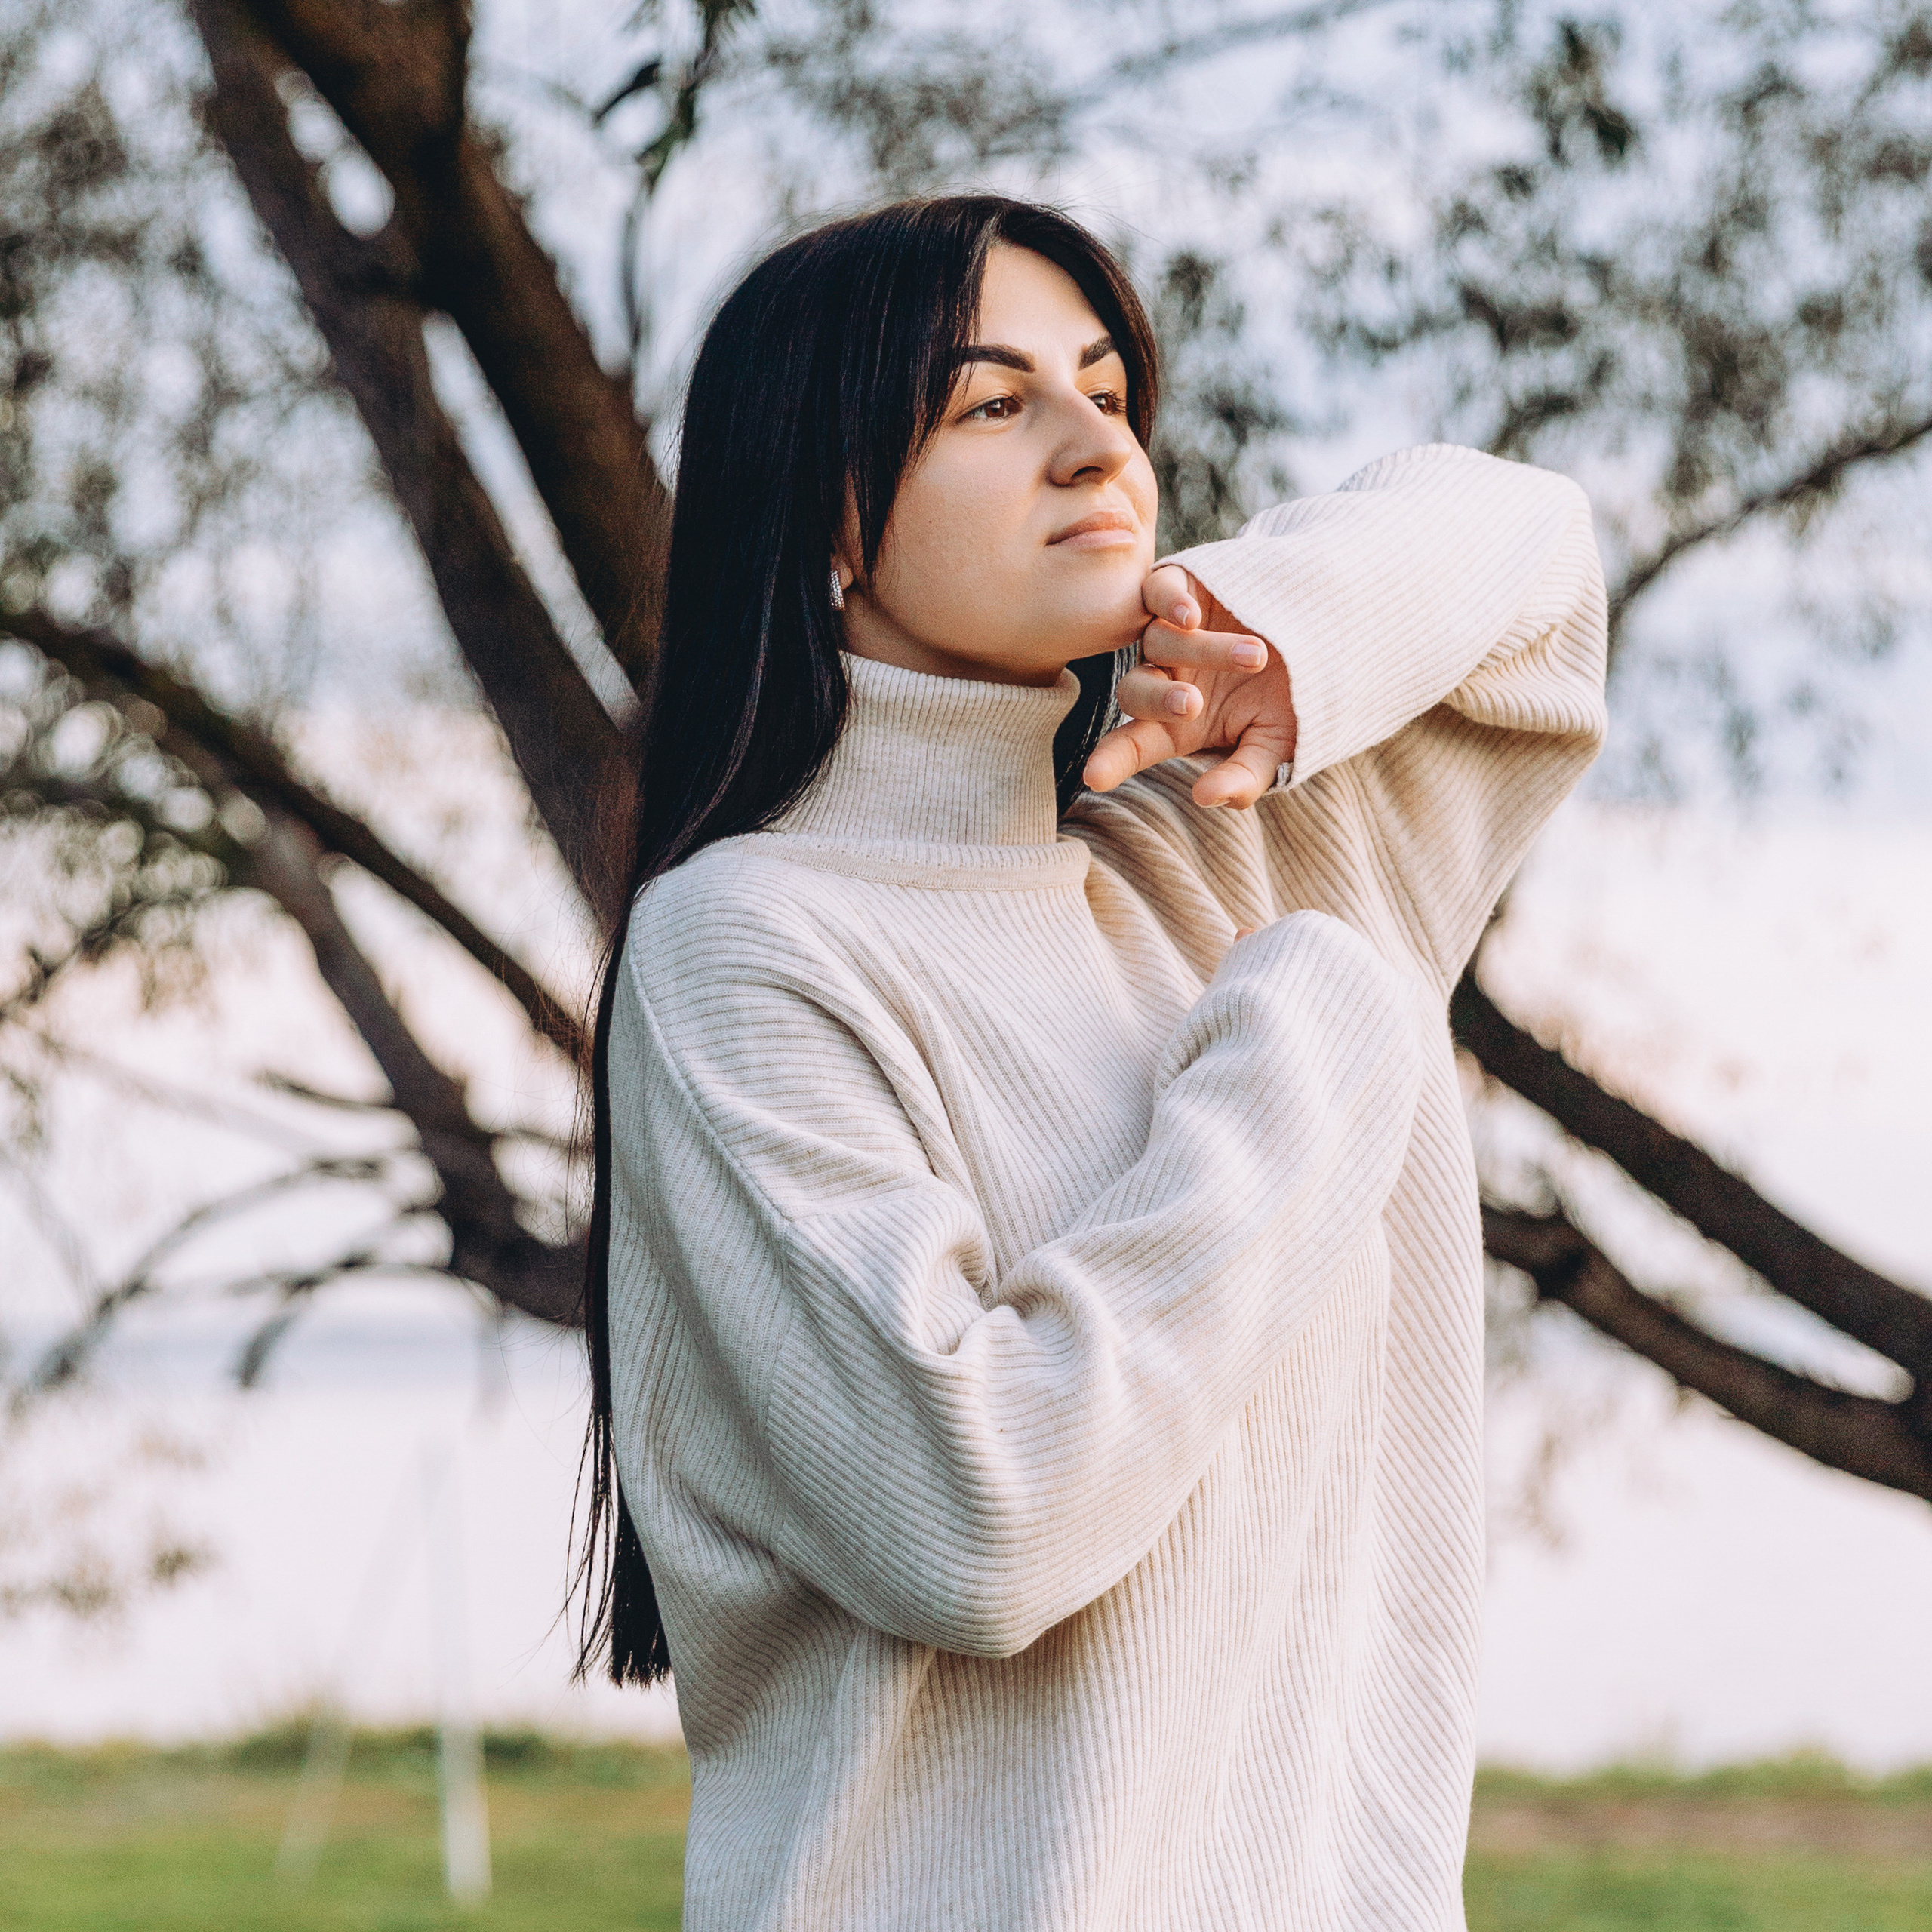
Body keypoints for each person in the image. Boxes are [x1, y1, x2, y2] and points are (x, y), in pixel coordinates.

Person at [571, 195, 1607, 1932]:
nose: (1093, 448)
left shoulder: (1217, 842)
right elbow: (980, 1517)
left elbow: (1534, 554)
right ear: (829, 515)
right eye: (991, 402)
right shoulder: (743, 946)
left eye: (1107, 392)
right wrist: (1320, 1031)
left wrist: (1272, 627)